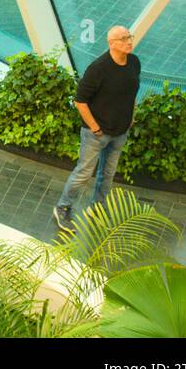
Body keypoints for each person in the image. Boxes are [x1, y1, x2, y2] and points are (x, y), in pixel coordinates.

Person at [53, 26, 141, 233]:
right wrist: (95, 127)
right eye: (124, 38)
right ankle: (63, 207)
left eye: (130, 37)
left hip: (120, 132)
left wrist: (131, 118)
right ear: (112, 44)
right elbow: (80, 101)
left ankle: (98, 208)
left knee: (107, 174)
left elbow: (131, 93)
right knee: (84, 173)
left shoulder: (134, 62)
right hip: (97, 134)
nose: (129, 41)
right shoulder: (98, 69)